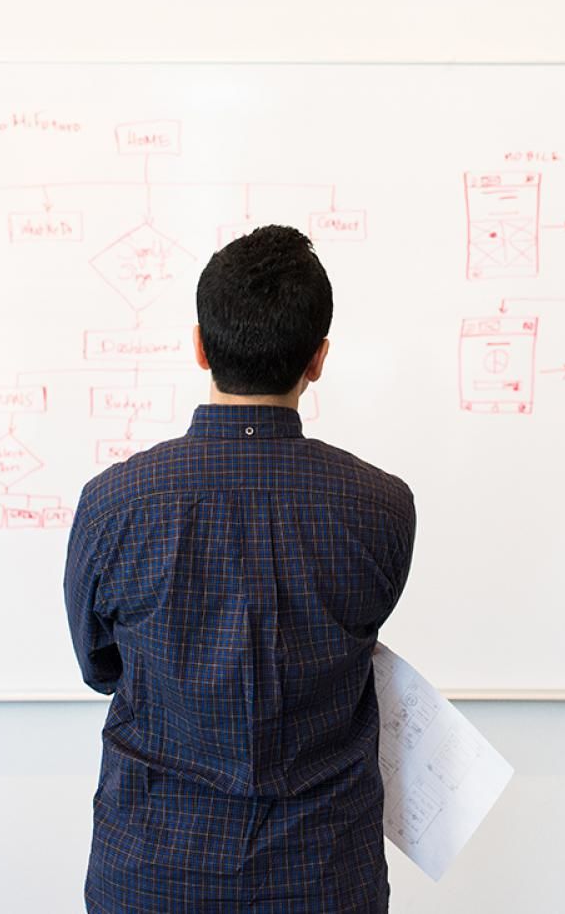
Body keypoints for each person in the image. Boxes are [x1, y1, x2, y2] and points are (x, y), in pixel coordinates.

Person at [63, 224, 417, 913]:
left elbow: (99, 666)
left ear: (199, 345)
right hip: (322, 876)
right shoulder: (382, 508)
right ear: (318, 359)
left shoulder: (113, 504)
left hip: (152, 873)